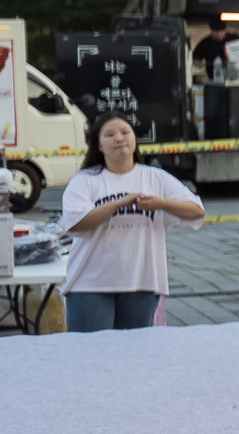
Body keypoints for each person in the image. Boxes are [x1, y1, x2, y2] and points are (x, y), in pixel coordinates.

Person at [57, 113, 204, 331]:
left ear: (135, 139)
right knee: (90, 357)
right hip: (90, 285)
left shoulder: (156, 178)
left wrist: (162, 203)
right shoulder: (85, 181)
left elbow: (197, 211)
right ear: (98, 145)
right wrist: (119, 203)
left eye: (125, 132)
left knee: (134, 357)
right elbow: (76, 224)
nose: (119, 138)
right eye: (110, 134)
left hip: (142, 283)